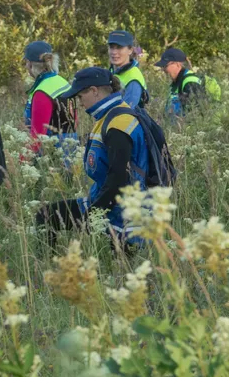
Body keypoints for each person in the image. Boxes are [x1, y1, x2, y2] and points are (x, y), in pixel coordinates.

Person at [36, 67, 150, 251]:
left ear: (95, 91)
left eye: (80, 96)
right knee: (47, 215)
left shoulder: (118, 122)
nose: (79, 103)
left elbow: (118, 180)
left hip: (126, 214)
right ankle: (47, 269)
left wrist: (93, 214)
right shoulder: (109, 115)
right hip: (108, 202)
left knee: (119, 270)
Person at [23, 40, 78, 158]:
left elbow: (37, 137)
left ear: (29, 64)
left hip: (52, 156)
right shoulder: (63, 82)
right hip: (71, 150)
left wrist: (22, 161)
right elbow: (75, 121)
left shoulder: (42, 92)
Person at [154, 47, 221, 116]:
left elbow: (197, 115)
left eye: (165, 66)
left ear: (177, 64)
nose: (163, 70)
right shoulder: (176, 82)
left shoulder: (190, 82)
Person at [107, 30, 149, 110]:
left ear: (130, 50)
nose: (114, 52)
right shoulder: (113, 71)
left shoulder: (133, 78)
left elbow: (126, 112)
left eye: (119, 47)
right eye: (111, 47)